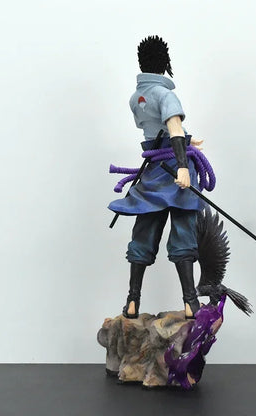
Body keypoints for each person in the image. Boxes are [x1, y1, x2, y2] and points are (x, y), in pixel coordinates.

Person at [108, 36, 205, 319]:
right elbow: (173, 130)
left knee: (145, 229)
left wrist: (188, 139)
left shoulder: (136, 98)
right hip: (174, 167)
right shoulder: (165, 95)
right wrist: (183, 166)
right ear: (165, 63)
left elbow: (153, 132)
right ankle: (190, 302)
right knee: (183, 229)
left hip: (153, 170)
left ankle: (132, 301)